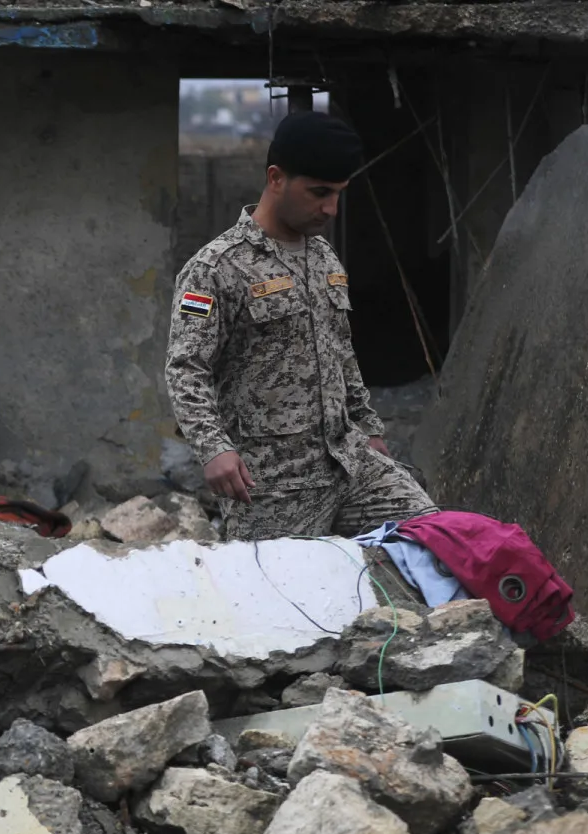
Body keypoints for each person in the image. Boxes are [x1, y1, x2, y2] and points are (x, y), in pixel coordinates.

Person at [164, 110, 434, 541]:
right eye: (319, 192)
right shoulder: (216, 268)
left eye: (340, 193)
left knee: (433, 537)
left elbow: (342, 353)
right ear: (276, 178)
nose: (331, 208)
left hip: (349, 465)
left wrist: (369, 429)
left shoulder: (324, 257)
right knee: (279, 598)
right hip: (272, 484)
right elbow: (186, 369)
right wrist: (215, 448)